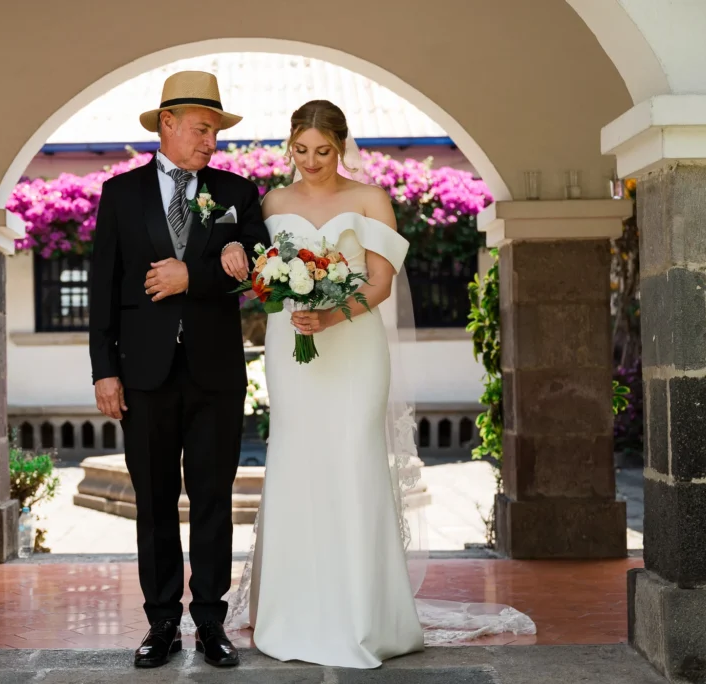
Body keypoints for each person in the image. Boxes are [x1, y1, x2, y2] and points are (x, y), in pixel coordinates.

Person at [226, 100, 535, 668]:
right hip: (291, 348)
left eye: (323, 151)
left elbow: (379, 284)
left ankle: (363, 614)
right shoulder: (271, 203)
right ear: (289, 146)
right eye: (301, 150)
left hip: (353, 345)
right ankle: (292, 610)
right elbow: (258, 273)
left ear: (341, 146)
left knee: (353, 459)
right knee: (295, 459)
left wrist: (329, 315)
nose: (311, 161)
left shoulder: (371, 199)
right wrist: (277, 292)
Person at [88, 70, 270, 669]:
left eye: (215, 131)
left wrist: (195, 275)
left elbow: (260, 266)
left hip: (217, 373)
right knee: (155, 501)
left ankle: (211, 622)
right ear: (167, 124)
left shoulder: (238, 192)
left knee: (214, 500)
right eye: (201, 129)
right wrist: (104, 370)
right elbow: (104, 287)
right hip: (143, 374)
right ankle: (162, 622)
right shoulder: (120, 194)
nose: (211, 141)